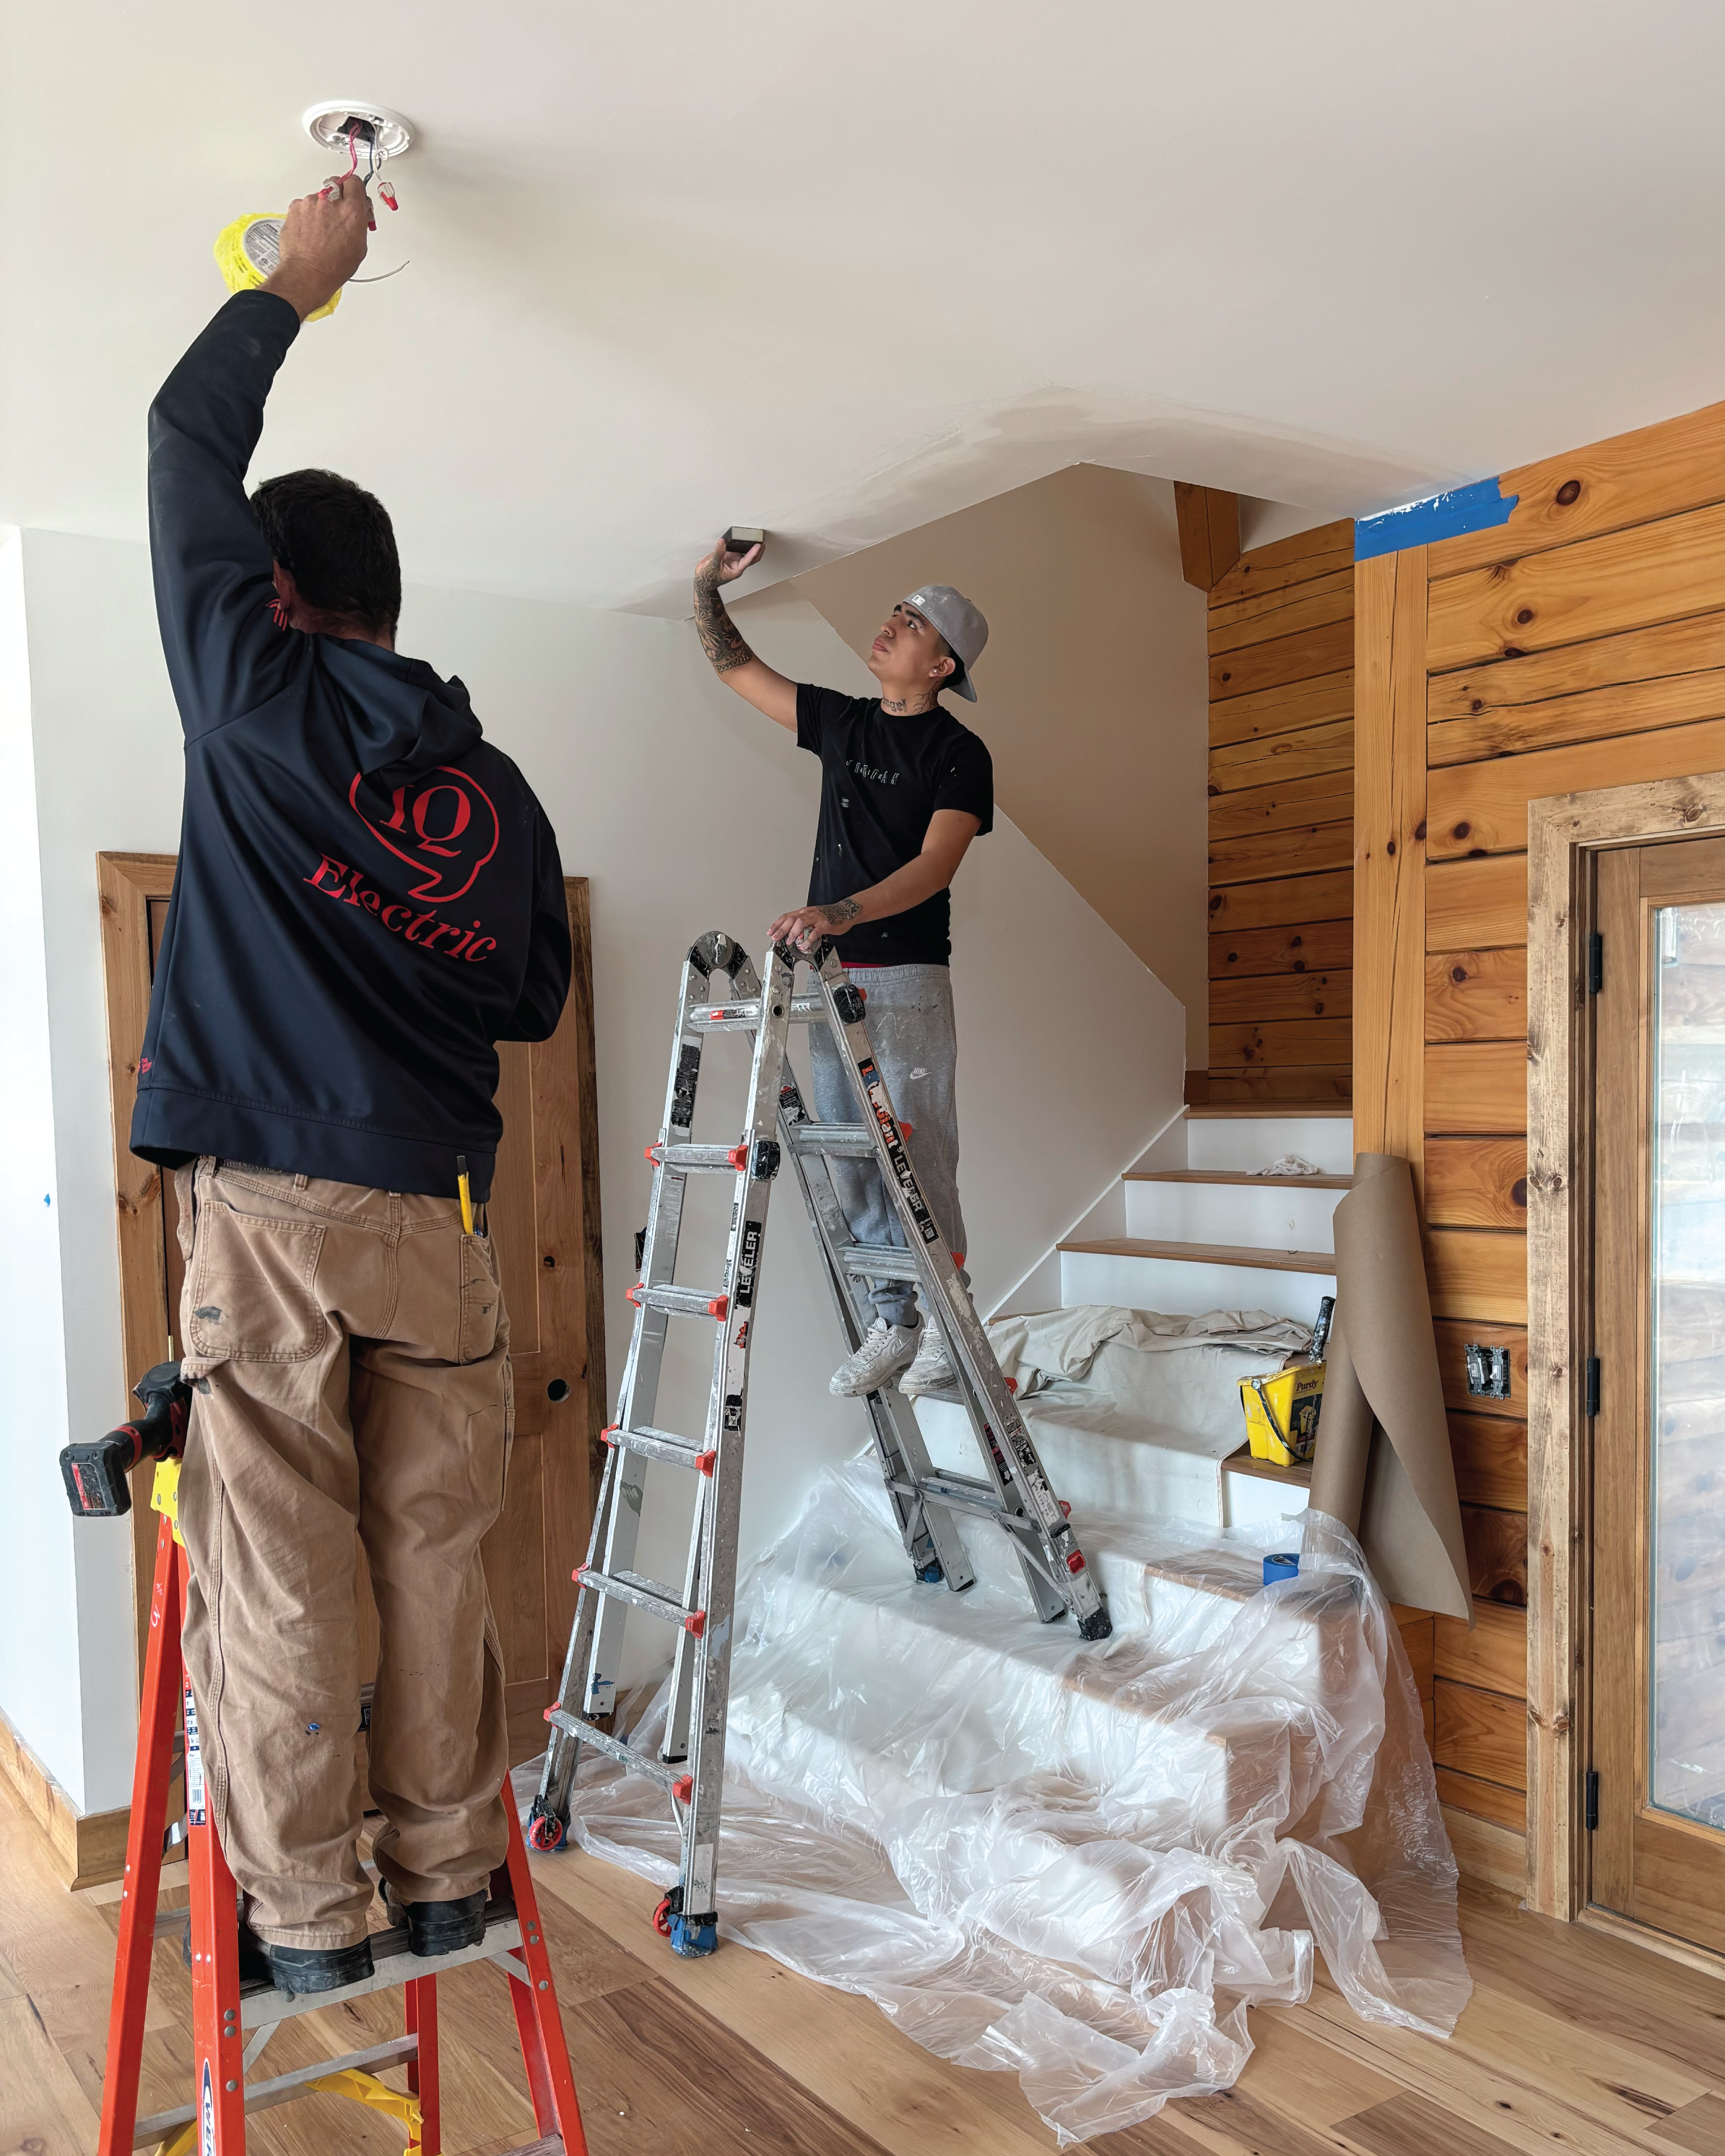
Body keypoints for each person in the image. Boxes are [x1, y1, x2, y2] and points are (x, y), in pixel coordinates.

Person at [132, 173, 572, 1994]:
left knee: (288, 1562)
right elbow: (530, 995)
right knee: (436, 1557)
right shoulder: (501, 794)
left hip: (276, 1213)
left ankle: (315, 1909)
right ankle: (451, 1873)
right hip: (439, 1224)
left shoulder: (255, 698)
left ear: (281, 596)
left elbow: (183, 438)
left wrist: (295, 286)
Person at [692, 535, 992, 1398]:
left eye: (912, 625)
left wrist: (840, 911)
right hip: (831, 983)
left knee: (919, 1154)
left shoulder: (960, 755)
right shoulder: (844, 721)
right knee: (853, 1155)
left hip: (905, 980)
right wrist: (706, 586)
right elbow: (735, 668)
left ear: (941, 666)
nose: (890, 627)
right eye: (895, 613)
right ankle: (894, 1322)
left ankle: (951, 1321)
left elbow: (935, 868)